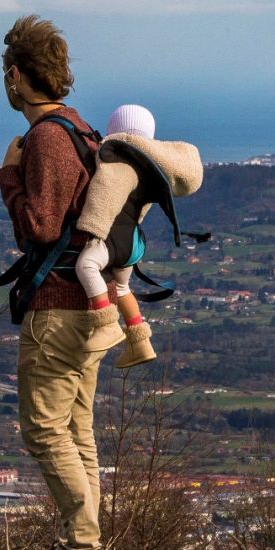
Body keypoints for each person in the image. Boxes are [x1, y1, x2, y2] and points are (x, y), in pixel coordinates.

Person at [0, 15, 119, 550]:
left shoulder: (46, 138)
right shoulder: (82, 130)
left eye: (7, 74)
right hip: (90, 304)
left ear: (17, 77)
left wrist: (9, 177)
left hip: (60, 307)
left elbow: (40, 227)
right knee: (77, 429)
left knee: (46, 430)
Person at [72, 104, 204, 369]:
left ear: (114, 130)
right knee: (121, 288)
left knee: (86, 265)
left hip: (113, 238)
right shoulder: (149, 166)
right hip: (133, 241)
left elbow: (104, 192)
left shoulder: (119, 159)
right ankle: (140, 342)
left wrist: (92, 228)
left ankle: (106, 325)